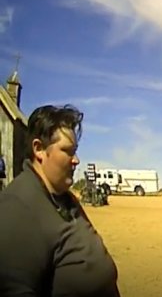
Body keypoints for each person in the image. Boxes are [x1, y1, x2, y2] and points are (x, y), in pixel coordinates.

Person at [0, 104, 121, 296]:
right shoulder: (17, 206)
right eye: (68, 151)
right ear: (39, 149)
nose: (76, 160)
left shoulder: (63, 197)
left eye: (75, 151)